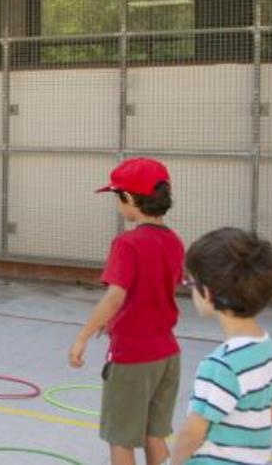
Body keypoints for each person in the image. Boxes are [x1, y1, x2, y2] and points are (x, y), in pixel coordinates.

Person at [68, 158, 185, 465]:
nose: (118, 204)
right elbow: (155, 292)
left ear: (131, 198)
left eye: (118, 197)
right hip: (167, 354)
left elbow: (115, 296)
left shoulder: (127, 243)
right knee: (154, 435)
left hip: (133, 357)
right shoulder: (174, 241)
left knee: (121, 439)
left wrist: (83, 336)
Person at [172, 227, 272, 465]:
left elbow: (193, 432)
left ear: (208, 293)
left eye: (190, 282)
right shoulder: (267, 349)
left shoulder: (220, 365)